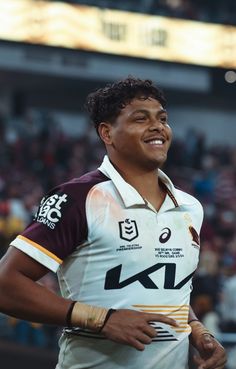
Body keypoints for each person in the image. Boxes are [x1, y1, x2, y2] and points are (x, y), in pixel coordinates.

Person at [0, 77, 226, 369]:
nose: (158, 126)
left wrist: (198, 331)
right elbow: (6, 284)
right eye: (140, 119)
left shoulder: (190, 207)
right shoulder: (79, 197)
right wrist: (102, 320)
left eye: (163, 119)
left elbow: (169, 292)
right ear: (107, 132)